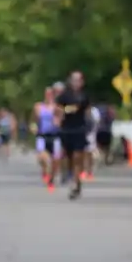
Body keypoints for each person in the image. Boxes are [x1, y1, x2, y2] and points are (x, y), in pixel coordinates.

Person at [55, 71, 92, 200]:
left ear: (82, 82)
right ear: (70, 81)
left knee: (78, 157)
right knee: (67, 157)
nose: (76, 83)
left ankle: (75, 183)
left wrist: (90, 125)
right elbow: (58, 110)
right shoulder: (64, 96)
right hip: (66, 129)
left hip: (80, 129)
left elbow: (88, 111)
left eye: (79, 80)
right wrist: (68, 110)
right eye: (74, 80)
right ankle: (70, 176)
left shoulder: (84, 96)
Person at [32, 87, 61, 190]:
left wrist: (58, 122)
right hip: (42, 135)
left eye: (50, 94)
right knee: (42, 157)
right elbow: (34, 120)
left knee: (56, 159)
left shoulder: (57, 107)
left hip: (55, 135)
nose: (48, 96)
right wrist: (33, 126)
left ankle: (52, 177)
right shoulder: (38, 106)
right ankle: (46, 171)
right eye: (47, 94)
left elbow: (62, 119)